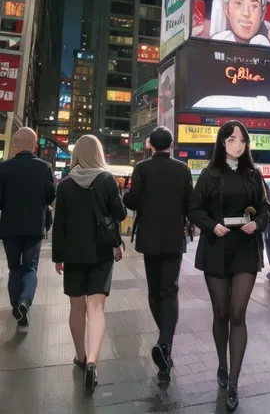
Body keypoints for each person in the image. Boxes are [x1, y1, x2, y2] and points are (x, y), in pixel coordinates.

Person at [189, 120, 270, 412]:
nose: (238, 145)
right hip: (216, 248)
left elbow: (268, 209)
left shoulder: (254, 175)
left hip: (245, 250)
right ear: (222, 142)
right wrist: (211, 226)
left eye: (242, 140)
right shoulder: (209, 175)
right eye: (232, 139)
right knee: (221, 312)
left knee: (238, 313)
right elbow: (194, 209)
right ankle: (222, 365)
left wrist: (258, 223)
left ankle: (234, 381)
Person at [52, 135, 126, 392]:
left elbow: (58, 224)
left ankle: (81, 357)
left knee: (76, 307)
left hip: (72, 252)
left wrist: (57, 257)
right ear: (98, 153)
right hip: (101, 251)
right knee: (96, 307)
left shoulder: (65, 185)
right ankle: (94, 361)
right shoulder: (106, 180)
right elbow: (120, 214)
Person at [123, 126, 193, 377]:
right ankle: (165, 344)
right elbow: (189, 202)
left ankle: (164, 341)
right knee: (170, 289)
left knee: (154, 290)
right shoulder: (182, 169)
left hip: (149, 235)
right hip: (174, 235)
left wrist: (126, 197)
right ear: (171, 145)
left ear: (150, 144)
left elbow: (133, 200)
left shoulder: (142, 168)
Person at [0, 127, 56, 327]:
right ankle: (25, 301)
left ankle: (16, 306)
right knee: (30, 266)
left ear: (15, 143)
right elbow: (51, 195)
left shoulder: (4, 168)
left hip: (10, 226)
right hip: (34, 225)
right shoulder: (44, 167)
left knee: (14, 267)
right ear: (34, 145)